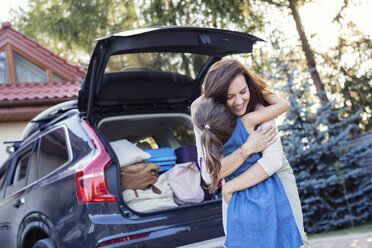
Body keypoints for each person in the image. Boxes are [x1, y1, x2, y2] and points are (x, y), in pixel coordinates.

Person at [191, 59, 309, 247]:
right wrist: (246, 150)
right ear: (219, 99)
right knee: (240, 242)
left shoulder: (258, 110)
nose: (239, 101)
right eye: (230, 97)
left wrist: (230, 187)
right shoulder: (206, 119)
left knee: (294, 239)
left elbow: (272, 161)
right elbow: (209, 174)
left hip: (273, 175)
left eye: (243, 91)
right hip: (235, 179)